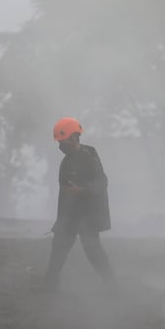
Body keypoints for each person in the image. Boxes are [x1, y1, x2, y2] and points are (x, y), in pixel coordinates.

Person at [43, 117, 115, 291]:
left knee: (92, 250)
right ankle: (49, 284)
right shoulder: (67, 161)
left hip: (88, 214)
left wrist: (81, 191)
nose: (61, 145)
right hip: (69, 214)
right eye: (59, 141)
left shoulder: (89, 156)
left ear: (74, 137)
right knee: (59, 245)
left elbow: (102, 182)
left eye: (63, 140)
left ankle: (112, 286)